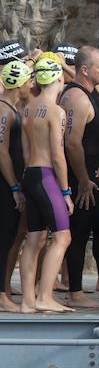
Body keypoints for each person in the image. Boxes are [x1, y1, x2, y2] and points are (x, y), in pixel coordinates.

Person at [18, 56, 73, 313]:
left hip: (30, 175)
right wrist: (65, 191)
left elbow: (26, 150)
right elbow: (58, 155)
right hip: (46, 176)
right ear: (59, 79)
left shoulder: (27, 108)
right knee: (62, 236)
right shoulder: (56, 111)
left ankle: (28, 301)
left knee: (35, 239)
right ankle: (45, 297)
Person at [59, 46, 99, 305]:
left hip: (96, 174)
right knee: (79, 232)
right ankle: (75, 292)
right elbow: (71, 143)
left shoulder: (95, 93)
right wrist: (81, 180)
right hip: (79, 176)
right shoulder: (75, 98)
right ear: (84, 70)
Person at [0, 60, 30, 311]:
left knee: (8, 236)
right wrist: (14, 187)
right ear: (18, 84)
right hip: (4, 184)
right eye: (27, 81)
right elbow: (1, 152)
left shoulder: (11, 108)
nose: (30, 85)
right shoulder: (4, 110)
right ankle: (0, 295)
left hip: (9, 183)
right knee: (4, 236)